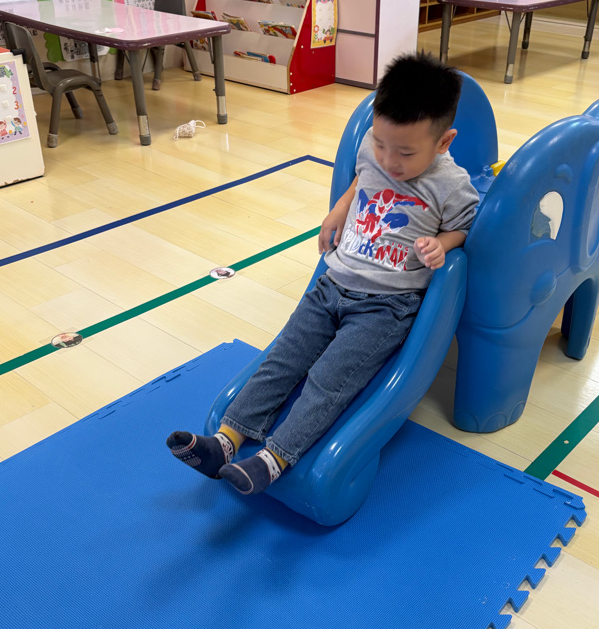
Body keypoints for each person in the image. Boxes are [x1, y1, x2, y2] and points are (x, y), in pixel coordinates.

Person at [167, 52, 479, 494]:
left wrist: (442, 244)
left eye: (406, 153)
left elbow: (464, 227)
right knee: (282, 360)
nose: (389, 160)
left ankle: (272, 460)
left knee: (328, 381)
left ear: (443, 142)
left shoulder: (451, 184)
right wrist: (339, 208)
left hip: (385, 307)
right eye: (382, 144)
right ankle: (226, 440)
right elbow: (361, 178)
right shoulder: (373, 148)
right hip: (330, 285)